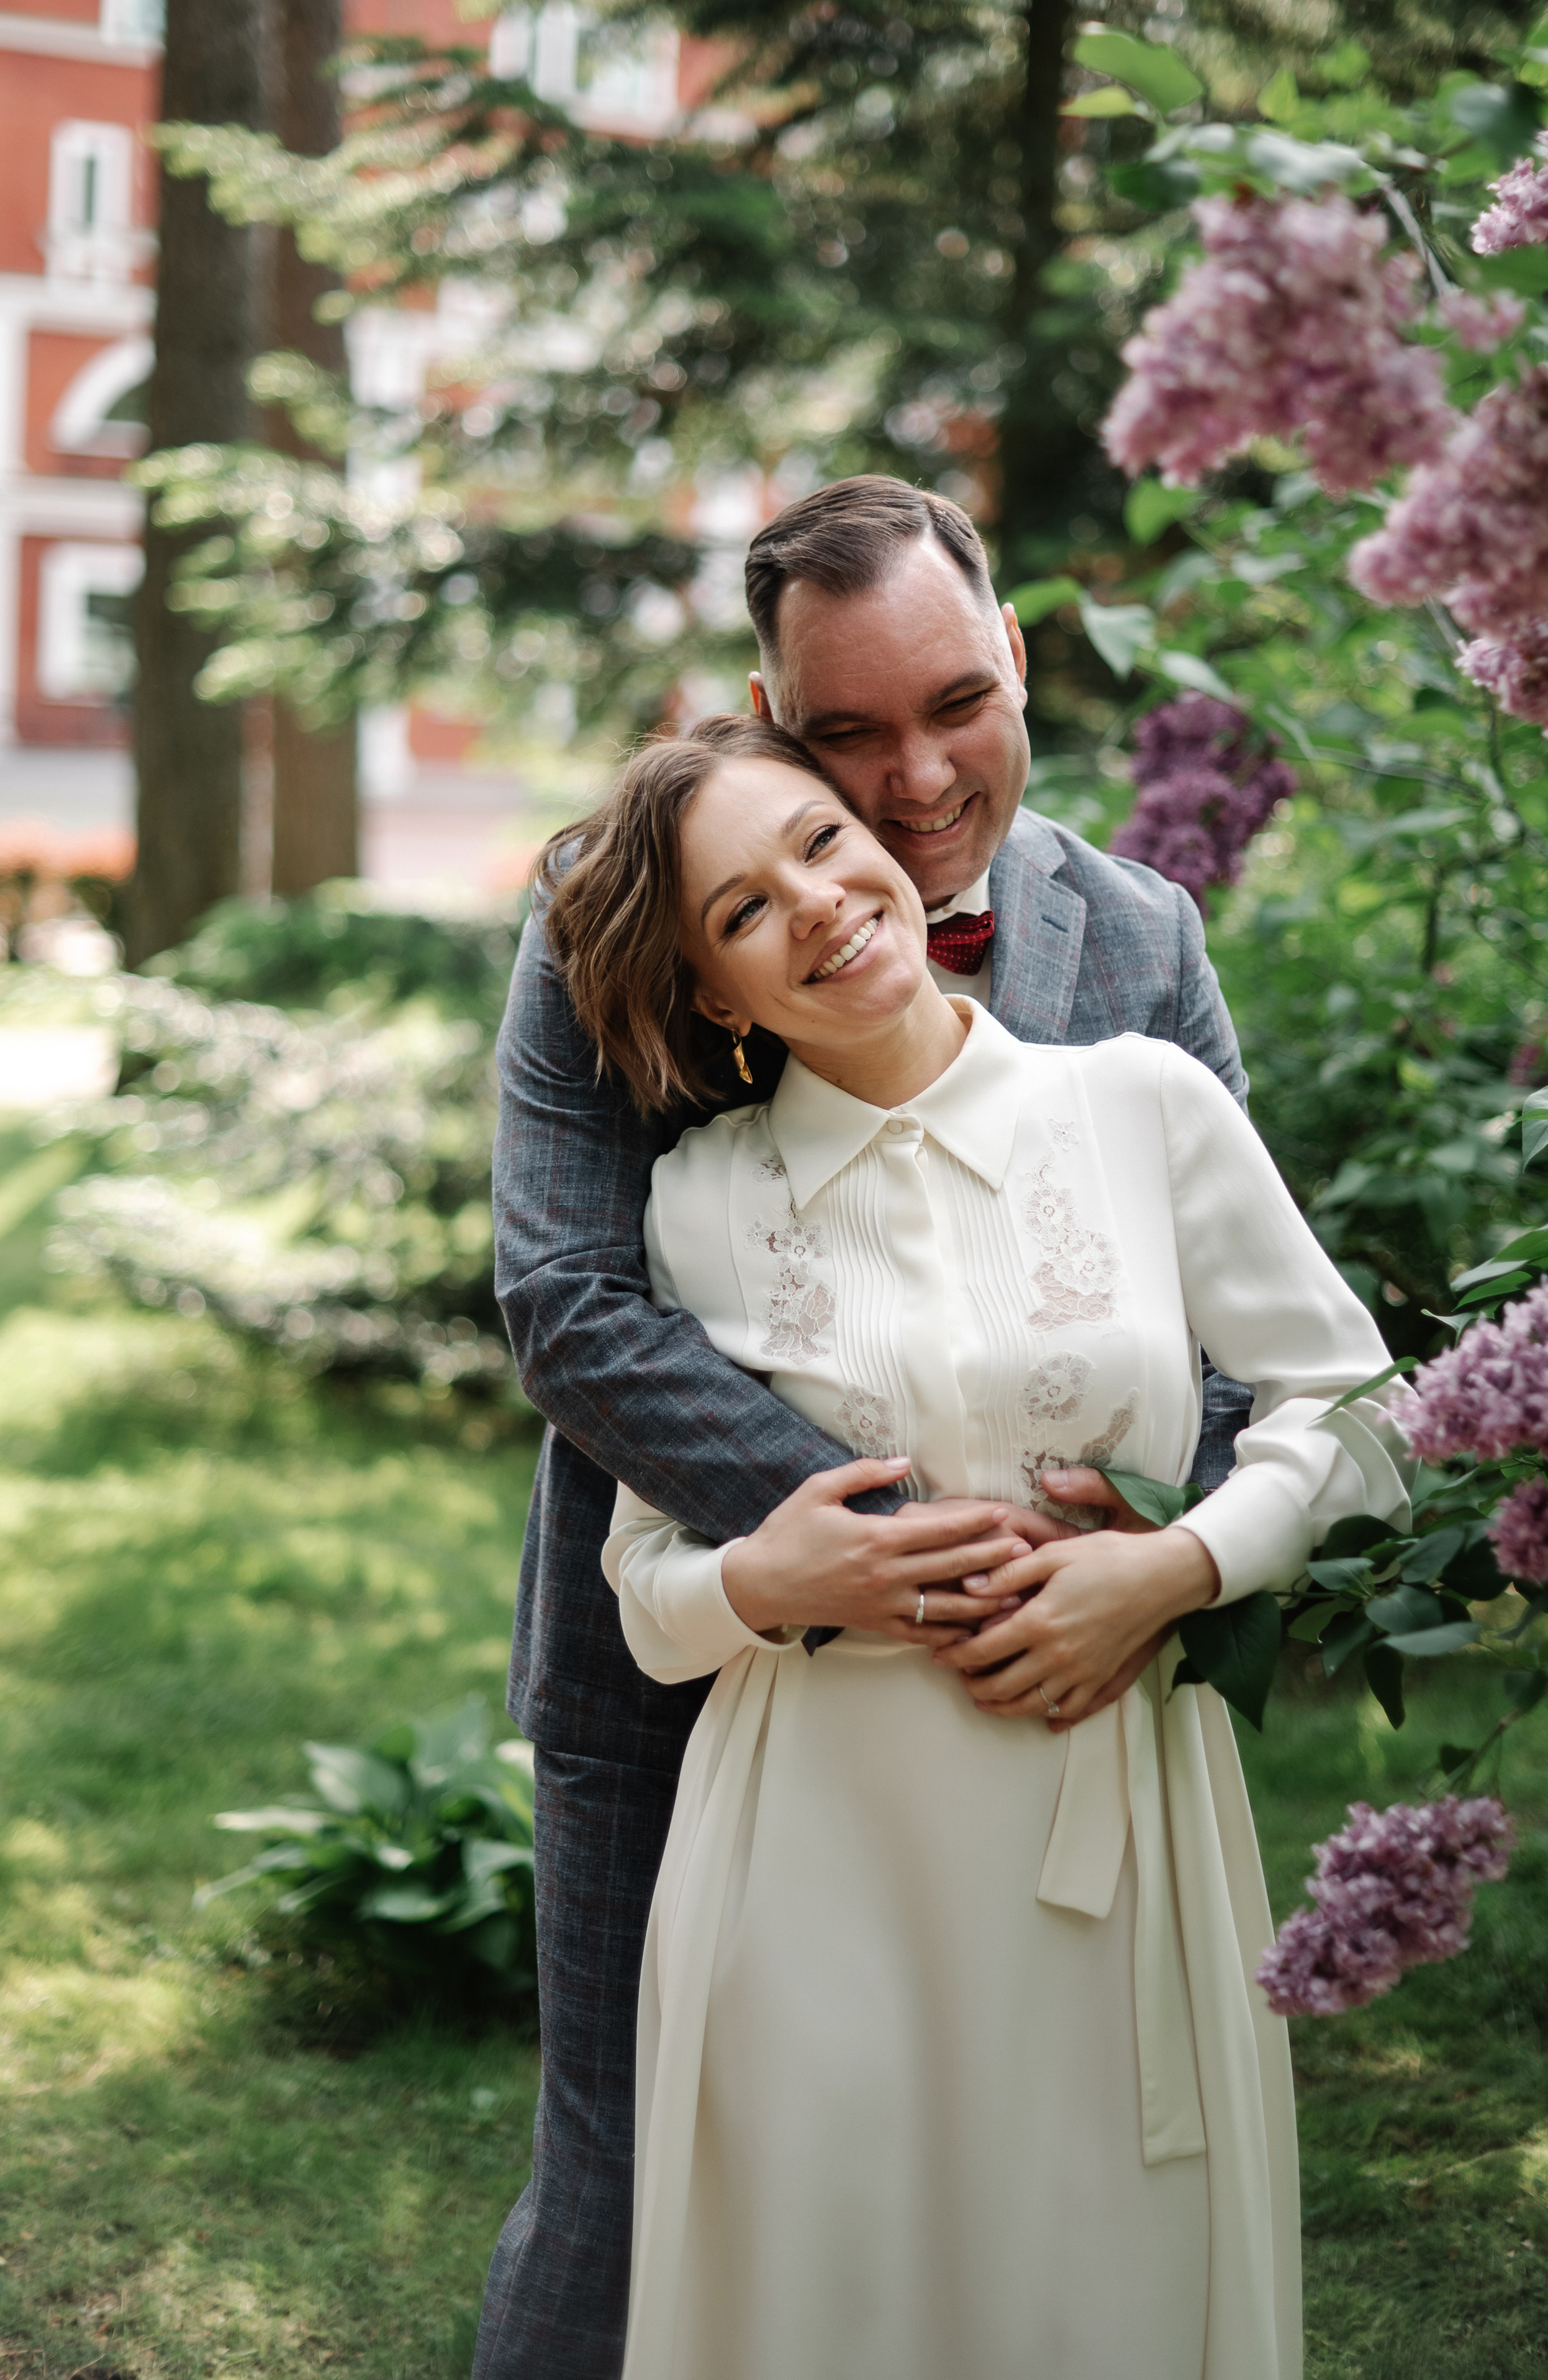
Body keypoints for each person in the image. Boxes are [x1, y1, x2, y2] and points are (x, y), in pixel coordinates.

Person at [474, 478, 1257, 2380]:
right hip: (687, 1669)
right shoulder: (624, 911)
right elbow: (569, 1296)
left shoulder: (1141, 937)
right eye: (843, 734)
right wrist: (897, 1547)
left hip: (1054, 1718)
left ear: (1012, 649)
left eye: (952, 705)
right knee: (628, 2186)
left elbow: (1242, 1336)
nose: (913, 785)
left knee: (1001, 2205)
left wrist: (1161, 1557)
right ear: (765, 713)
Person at [543, 718, 1413, 2380]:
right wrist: (764, 1583)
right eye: (740, 910)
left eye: (816, 838)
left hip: (1112, 1841)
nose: (813, 901)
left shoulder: (1137, 1104)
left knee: (1104, 2301)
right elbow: (647, 1596)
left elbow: (1361, 1411)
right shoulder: (702, 1201)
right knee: (834, 2308)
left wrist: (1179, 1568)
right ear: (719, 993)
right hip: (811, 1864)